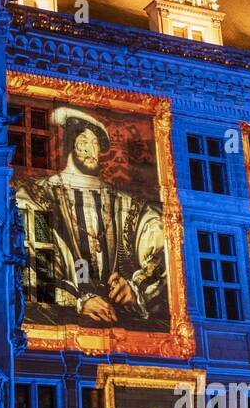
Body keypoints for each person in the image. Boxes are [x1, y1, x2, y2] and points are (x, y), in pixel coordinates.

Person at [16, 108, 168, 327]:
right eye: (83, 141)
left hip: (123, 325)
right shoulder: (36, 196)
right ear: (70, 144)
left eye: (96, 144)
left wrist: (135, 289)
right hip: (61, 322)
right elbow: (34, 262)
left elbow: (163, 245)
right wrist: (78, 299)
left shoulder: (126, 203)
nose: (91, 150)